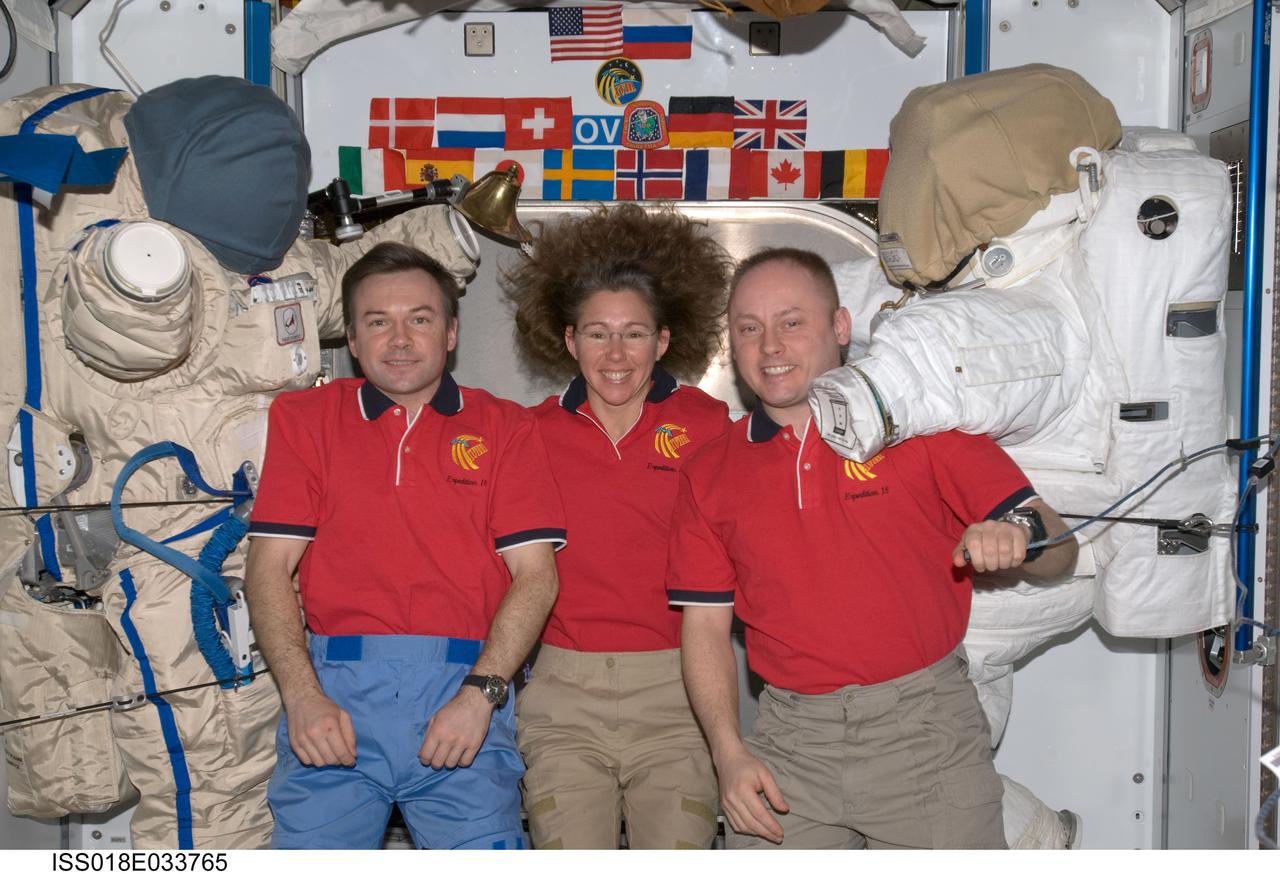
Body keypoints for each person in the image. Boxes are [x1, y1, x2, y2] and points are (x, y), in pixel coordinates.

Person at [666, 248, 1079, 850]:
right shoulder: (709, 470)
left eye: (791, 322)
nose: (770, 347)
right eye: (748, 329)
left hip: (925, 735)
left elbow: (1062, 548)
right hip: (788, 742)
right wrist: (728, 754)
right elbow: (704, 629)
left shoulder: (921, 429)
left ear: (839, 327)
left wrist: (1020, 536)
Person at [244, 241, 565, 849]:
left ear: (450, 333)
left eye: (419, 318)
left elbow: (536, 578)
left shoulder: (505, 427)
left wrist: (481, 695)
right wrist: (302, 697)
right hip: (334, 699)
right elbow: (268, 570)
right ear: (353, 341)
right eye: (377, 321)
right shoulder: (304, 420)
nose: (399, 338)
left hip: (463, 692)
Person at [501, 204, 733, 848]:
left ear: (662, 341)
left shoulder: (709, 426)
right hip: (562, 694)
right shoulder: (531, 434)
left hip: (679, 690)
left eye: (634, 333)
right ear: (569, 339)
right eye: (597, 333)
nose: (615, 353)